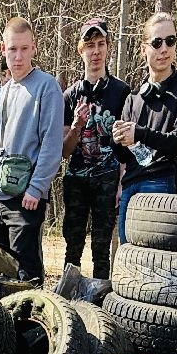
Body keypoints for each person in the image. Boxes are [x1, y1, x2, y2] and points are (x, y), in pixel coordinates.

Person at [0, 17, 61, 281]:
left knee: (27, 276)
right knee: (2, 275)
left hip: (26, 200)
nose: (18, 56)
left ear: (34, 47)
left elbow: (52, 143)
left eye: (24, 48)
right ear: (3, 50)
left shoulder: (47, 87)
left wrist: (36, 187)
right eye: (12, 49)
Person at [112, 13, 177, 242]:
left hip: (160, 181)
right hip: (130, 185)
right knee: (126, 255)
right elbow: (122, 155)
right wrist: (117, 138)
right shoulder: (133, 97)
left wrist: (139, 133)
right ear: (143, 49)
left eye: (171, 41)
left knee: (152, 256)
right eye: (157, 43)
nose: (164, 49)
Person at [59, 17, 130, 279]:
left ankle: (99, 296)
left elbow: (126, 144)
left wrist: (122, 182)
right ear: (81, 50)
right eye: (90, 45)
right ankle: (69, 295)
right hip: (76, 179)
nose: (96, 51)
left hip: (107, 178)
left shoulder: (121, 92)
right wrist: (77, 125)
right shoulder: (70, 95)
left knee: (101, 248)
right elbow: (64, 151)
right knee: (72, 246)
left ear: (108, 47)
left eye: (101, 44)